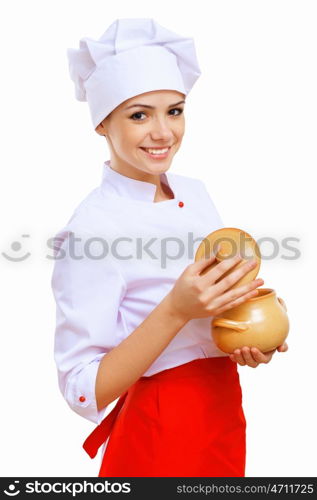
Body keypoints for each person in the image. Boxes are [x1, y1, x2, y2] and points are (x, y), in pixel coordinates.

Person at [51, 18, 288, 477]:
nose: (163, 132)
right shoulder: (91, 231)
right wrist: (176, 309)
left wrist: (250, 327)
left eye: (174, 111)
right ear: (102, 122)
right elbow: (84, 389)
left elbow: (211, 320)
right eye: (139, 114)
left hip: (221, 411)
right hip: (160, 431)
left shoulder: (195, 193)